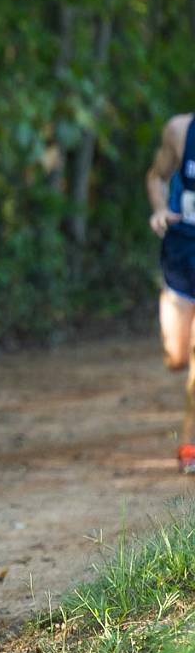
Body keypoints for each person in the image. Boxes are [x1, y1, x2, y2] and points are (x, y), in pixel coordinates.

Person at [146, 111, 195, 471]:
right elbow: (157, 177)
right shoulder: (181, 131)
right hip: (180, 256)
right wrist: (161, 209)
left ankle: (190, 448)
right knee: (176, 357)